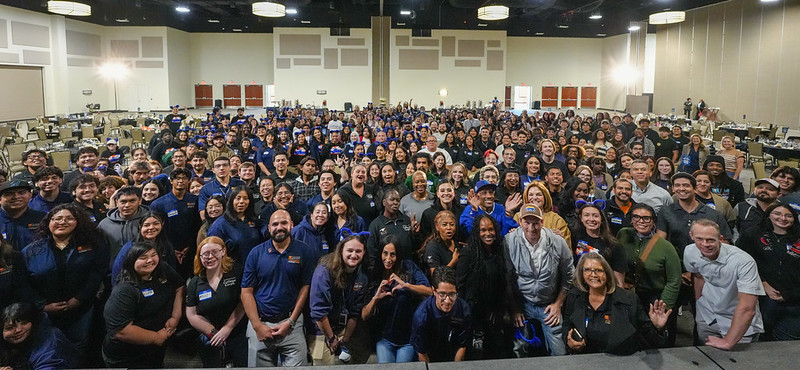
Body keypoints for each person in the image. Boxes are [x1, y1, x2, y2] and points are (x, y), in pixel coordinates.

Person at [21, 204, 107, 360]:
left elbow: (97, 273)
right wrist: (42, 306)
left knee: (78, 348)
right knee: (47, 349)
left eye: (69, 218)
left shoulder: (92, 245)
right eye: (58, 218)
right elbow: (23, 283)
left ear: (77, 222)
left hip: (81, 309)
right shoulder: (31, 250)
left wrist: (79, 299)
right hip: (45, 312)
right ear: (48, 222)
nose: (63, 222)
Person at [240, 210, 315, 367]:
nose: (279, 227)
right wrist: (257, 325)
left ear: (291, 225)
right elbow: (246, 292)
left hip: (291, 325)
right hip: (260, 324)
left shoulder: (305, 251)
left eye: (284, 223)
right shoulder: (256, 253)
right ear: (269, 228)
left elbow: (305, 287)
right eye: (275, 224)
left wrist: (291, 321)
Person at [562, 253, 671, 355]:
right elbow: (567, 324)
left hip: (621, 360)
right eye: (587, 270)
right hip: (586, 360)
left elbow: (649, 338)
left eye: (599, 270)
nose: (593, 275)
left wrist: (658, 328)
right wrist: (569, 341)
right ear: (582, 274)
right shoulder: (574, 297)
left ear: (607, 274)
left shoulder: (628, 299)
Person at [102, 241, 185, 368]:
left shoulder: (163, 269)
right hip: (128, 356)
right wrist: (156, 337)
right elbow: (121, 331)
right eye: (143, 258)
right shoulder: (124, 290)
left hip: (155, 349)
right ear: (131, 261)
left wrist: (176, 316)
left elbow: (179, 286)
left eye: (153, 255)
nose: (150, 260)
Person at [684, 219, 765, 349]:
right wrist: (699, 301)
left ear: (720, 238)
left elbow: (747, 308)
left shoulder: (743, 262)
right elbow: (698, 276)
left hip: (736, 319)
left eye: (710, 240)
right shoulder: (689, 251)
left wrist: (728, 341)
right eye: (699, 239)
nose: (705, 244)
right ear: (691, 236)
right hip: (707, 315)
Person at [505, 203, 573, 356]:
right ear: (520, 222)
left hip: (548, 304)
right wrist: (515, 309)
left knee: (559, 352)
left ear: (542, 222)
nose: (531, 228)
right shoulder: (509, 241)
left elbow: (569, 273)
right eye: (527, 223)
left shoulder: (557, 242)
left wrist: (558, 304)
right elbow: (507, 278)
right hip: (523, 304)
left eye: (535, 223)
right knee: (519, 349)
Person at [617, 203, 682, 346]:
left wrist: (664, 307)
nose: (641, 221)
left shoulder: (665, 246)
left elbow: (674, 280)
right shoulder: (623, 234)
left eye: (646, 218)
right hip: (630, 296)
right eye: (636, 217)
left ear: (653, 222)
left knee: (657, 340)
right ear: (631, 219)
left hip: (655, 299)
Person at [361, 236, 431, 363]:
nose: (388, 259)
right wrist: (376, 298)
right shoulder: (374, 273)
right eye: (385, 253)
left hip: (407, 339)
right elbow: (364, 315)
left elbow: (429, 291)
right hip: (384, 339)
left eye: (392, 255)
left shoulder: (408, 267)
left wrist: (406, 285)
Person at [737, 204, 800, 341]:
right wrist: (763, 284)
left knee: (787, 345)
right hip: (761, 300)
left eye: (788, 215)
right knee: (760, 342)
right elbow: (741, 263)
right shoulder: (752, 234)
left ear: (794, 218)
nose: (782, 218)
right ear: (769, 215)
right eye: (777, 214)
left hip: (794, 303)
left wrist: (789, 294)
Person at [309, 235, 372, 365]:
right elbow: (319, 313)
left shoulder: (362, 276)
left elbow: (355, 312)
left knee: (361, 351)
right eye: (350, 251)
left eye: (358, 251)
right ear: (341, 250)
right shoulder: (324, 272)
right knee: (323, 363)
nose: (354, 255)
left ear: (364, 252)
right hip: (321, 326)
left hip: (345, 325)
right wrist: (331, 338)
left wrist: (345, 339)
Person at [185, 236, 247, 367]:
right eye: (205, 254)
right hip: (210, 339)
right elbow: (192, 314)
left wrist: (227, 328)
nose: (210, 257)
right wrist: (213, 333)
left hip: (238, 334)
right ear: (200, 257)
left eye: (214, 252)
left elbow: (244, 302)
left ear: (223, 251)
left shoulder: (237, 272)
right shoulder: (195, 282)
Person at [455, 214, 508, 359]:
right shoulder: (468, 253)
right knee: (477, 355)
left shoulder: (498, 250)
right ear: (477, 233)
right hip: (473, 314)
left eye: (491, 229)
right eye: (483, 230)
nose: (488, 233)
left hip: (494, 312)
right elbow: (460, 284)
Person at [656, 172, 732, 257]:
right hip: (675, 261)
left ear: (695, 189)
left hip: (705, 262)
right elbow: (660, 239)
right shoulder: (666, 211)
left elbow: (725, 242)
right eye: (677, 185)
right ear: (673, 188)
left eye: (686, 185)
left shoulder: (713, 214)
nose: (681, 189)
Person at [410, 266, 471, 362]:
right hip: (429, 355)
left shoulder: (463, 310)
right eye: (442, 294)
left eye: (452, 294)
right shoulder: (421, 317)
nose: (447, 301)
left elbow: (462, 345)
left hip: (452, 352)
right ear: (434, 291)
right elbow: (422, 353)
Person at [0, 302, 78, 369]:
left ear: (33, 322)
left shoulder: (50, 343)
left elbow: (49, 366)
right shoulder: (9, 344)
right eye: (10, 328)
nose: (18, 330)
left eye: (24, 323)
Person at [111, 211, 177, 287]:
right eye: (146, 225)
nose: (151, 227)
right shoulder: (130, 247)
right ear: (140, 227)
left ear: (162, 225)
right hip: (135, 287)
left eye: (156, 224)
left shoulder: (166, 245)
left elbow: (172, 272)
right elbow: (117, 273)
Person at [571, 201, 628, 286]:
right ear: (581, 218)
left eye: (595, 216)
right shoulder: (575, 238)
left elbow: (619, 283)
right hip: (580, 288)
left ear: (601, 219)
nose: (591, 219)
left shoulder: (614, 245)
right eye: (586, 215)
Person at [207, 186, 267, 264]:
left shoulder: (253, 220)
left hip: (254, 268)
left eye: (245, 198)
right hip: (231, 271)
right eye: (238, 198)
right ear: (231, 200)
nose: (241, 201)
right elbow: (211, 252)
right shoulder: (220, 225)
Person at [366, 189, 419, 268]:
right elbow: (372, 253)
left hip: (407, 268)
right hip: (386, 269)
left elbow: (415, 247)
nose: (395, 203)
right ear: (384, 202)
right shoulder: (375, 225)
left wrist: (415, 234)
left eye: (398, 200)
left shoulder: (407, 220)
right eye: (392, 199)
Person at [97, 186, 150, 264]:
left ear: (140, 201)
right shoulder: (105, 225)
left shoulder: (150, 221)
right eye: (123, 201)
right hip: (114, 270)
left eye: (132, 201)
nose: (127, 205)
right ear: (117, 202)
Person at [0, 180, 45, 251]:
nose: (16, 196)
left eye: (21, 192)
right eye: (9, 194)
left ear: (30, 195)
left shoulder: (43, 219)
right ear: (0, 199)